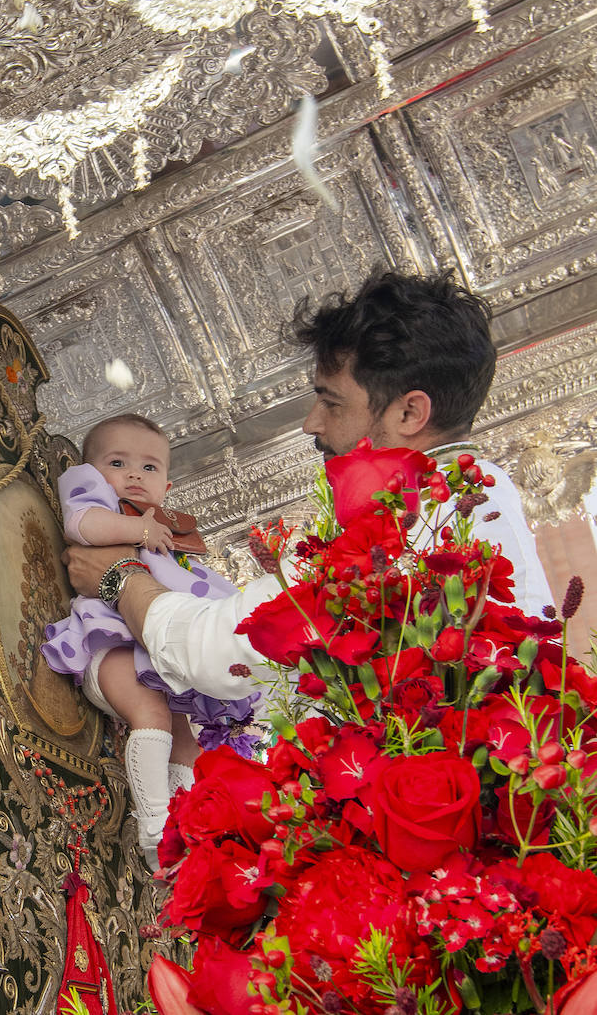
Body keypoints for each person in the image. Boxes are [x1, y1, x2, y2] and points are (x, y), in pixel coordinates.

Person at [61, 271, 554, 707]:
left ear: (409, 413)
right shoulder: (469, 496)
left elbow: (220, 650)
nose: (311, 424)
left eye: (331, 402)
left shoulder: (415, 517)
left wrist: (120, 577)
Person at [40, 413, 256, 861]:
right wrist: (139, 531)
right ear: (90, 470)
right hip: (111, 642)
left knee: (186, 736)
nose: (135, 475)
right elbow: (82, 524)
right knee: (151, 711)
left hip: (156, 652)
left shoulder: (165, 532)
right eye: (117, 463)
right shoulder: (102, 501)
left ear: (167, 487)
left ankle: (194, 825)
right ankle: (155, 825)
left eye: (150, 467)